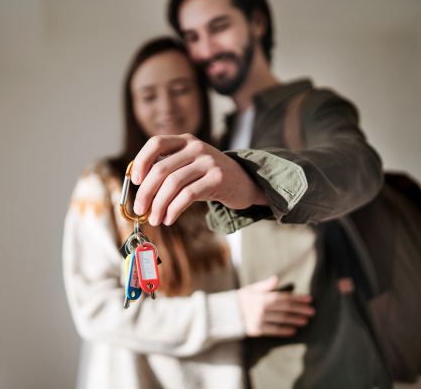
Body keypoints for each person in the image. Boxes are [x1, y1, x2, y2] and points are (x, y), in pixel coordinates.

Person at [128, 0, 391, 388]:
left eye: (218, 27)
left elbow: (360, 166)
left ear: (257, 23)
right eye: (192, 37)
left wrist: (247, 179)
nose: (205, 49)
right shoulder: (215, 137)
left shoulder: (313, 107)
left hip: (328, 369)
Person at [62, 37, 315, 389]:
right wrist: (232, 314)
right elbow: (96, 312)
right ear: (132, 106)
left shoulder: (227, 180)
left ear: (201, 94)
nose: (166, 106)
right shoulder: (102, 182)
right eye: (149, 96)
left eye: (180, 89)